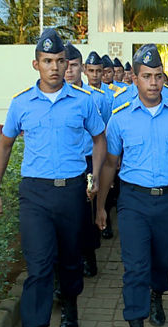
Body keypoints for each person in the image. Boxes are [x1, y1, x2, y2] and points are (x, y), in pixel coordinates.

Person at [0, 28, 106, 327]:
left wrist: (95, 176)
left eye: (59, 61)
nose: (54, 67)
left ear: (68, 64)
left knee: (70, 259)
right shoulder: (21, 103)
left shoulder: (82, 102)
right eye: (47, 61)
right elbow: (5, 145)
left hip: (71, 191)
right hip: (35, 194)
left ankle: (70, 306)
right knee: (39, 268)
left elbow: (100, 139)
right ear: (36, 64)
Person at [95, 44, 168, 327]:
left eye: (158, 76)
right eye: (146, 76)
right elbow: (110, 163)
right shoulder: (120, 118)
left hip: (167, 200)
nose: (153, 82)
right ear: (134, 78)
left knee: (163, 260)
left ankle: (157, 295)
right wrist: (100, 205)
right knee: (135, 267)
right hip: (133, 200)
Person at [64, 43, 112, 277]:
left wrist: (106, 164)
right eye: (67, 65)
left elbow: (106, 132)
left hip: (91, 160)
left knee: (88, 210)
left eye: (74, 66)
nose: (69, 71)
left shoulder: (97, 98)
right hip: (69, 162)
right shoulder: (58, 97)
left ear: (80, 67)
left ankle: (89, 257)